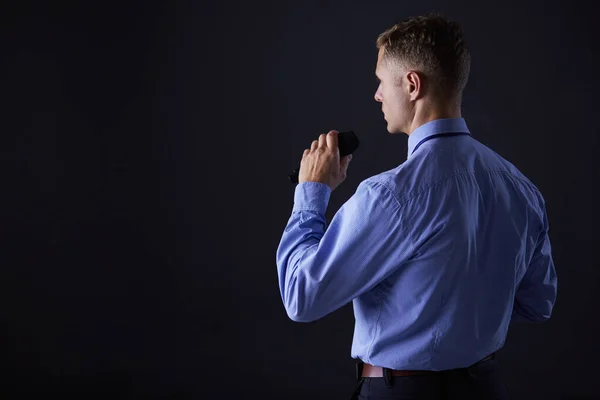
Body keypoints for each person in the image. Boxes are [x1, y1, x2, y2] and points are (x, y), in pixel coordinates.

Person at [275, 13, 557, 400]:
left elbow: (300, 297)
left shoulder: (389, 195)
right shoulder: (521, 189)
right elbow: (539, 302)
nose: (376, 94)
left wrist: (311, 193)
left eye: (380, 81)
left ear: (411, 85)